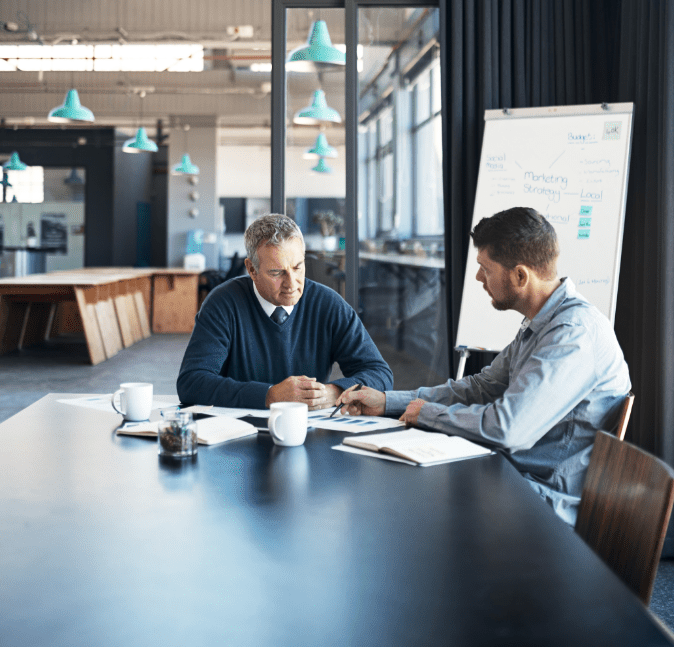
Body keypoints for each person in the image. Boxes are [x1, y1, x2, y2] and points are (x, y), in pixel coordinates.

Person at [337, 206, 631, 524]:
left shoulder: (574, 335)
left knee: (405, 500)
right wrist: (388, 402)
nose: (478, 277)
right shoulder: (543, 322)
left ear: (520, 275)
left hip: (542, 504)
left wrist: (427, 413)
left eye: (485, 268)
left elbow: (507, 429)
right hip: (513, 478)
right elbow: (482, 387)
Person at [177, 213, 393, 410]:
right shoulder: (223, 303)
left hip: (305, 432)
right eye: (277, 272)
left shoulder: (329, 305)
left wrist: (334, 392)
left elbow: (380, 373)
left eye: (298, 267)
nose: (292, 283)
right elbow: (191, 383)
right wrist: (269, 395)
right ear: (252, 269)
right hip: (234, 435)